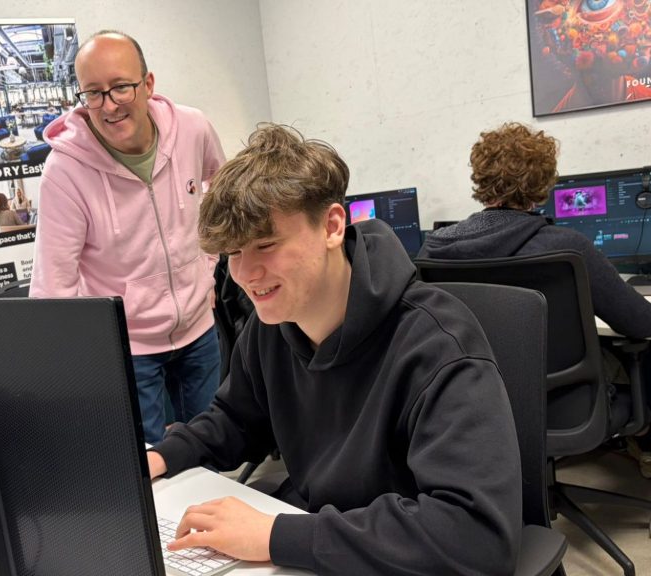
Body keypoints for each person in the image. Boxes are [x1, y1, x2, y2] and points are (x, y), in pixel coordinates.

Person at [147, 124, 522, 574]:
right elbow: (236, 420)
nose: (246, 273)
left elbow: (474, 533)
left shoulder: (436, 345)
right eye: (232, 252)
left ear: (331, 225)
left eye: (266, 244)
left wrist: (275, 534)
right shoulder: (274, 322)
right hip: (320, 544)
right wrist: (161, 456)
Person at [417, 121, 651, 474]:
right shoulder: (567, 247)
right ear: (543, 185)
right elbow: (640, 322)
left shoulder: (435, 250)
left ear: (480, 180)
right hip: (567, 410)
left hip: (475, 407)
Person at [30, 30, 226, 444]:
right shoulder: (65, 172)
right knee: (146, 467)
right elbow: (54, 286)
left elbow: (224, 195)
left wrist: (207, 269)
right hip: (128, 348)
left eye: (121, 87)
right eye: (94, 93)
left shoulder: (192, 128)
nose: (109, 105)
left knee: (213, 448)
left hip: (198, 330)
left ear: (148, 84)